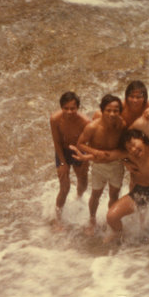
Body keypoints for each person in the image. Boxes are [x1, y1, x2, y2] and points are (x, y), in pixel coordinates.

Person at [76, 94, 127, 233]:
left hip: (116, 164)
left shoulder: (122, 125)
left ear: (119, 111)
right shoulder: (93, 127)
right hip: (98, 165)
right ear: (102, 110)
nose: (112, 114)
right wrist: (94, 152)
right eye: (108, 110)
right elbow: (80, 144)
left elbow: (125, 146)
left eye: (116, 111)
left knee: (114, 195)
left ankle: (111, 219)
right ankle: (92, 219)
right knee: (96, 194)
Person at [49, 91, 90, 224]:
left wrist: (85, 158)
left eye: (72, 108)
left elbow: (88, 143)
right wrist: (62, 163)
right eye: (66, 108)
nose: (69, 111)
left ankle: (78, 198)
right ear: (61, 108)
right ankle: (58, 217)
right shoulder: (55, 119)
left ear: (77, 108)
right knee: (64, 187)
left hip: (79, 150)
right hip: (63, 151)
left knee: (83, 183)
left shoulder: (85, 121)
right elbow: (56, 142)